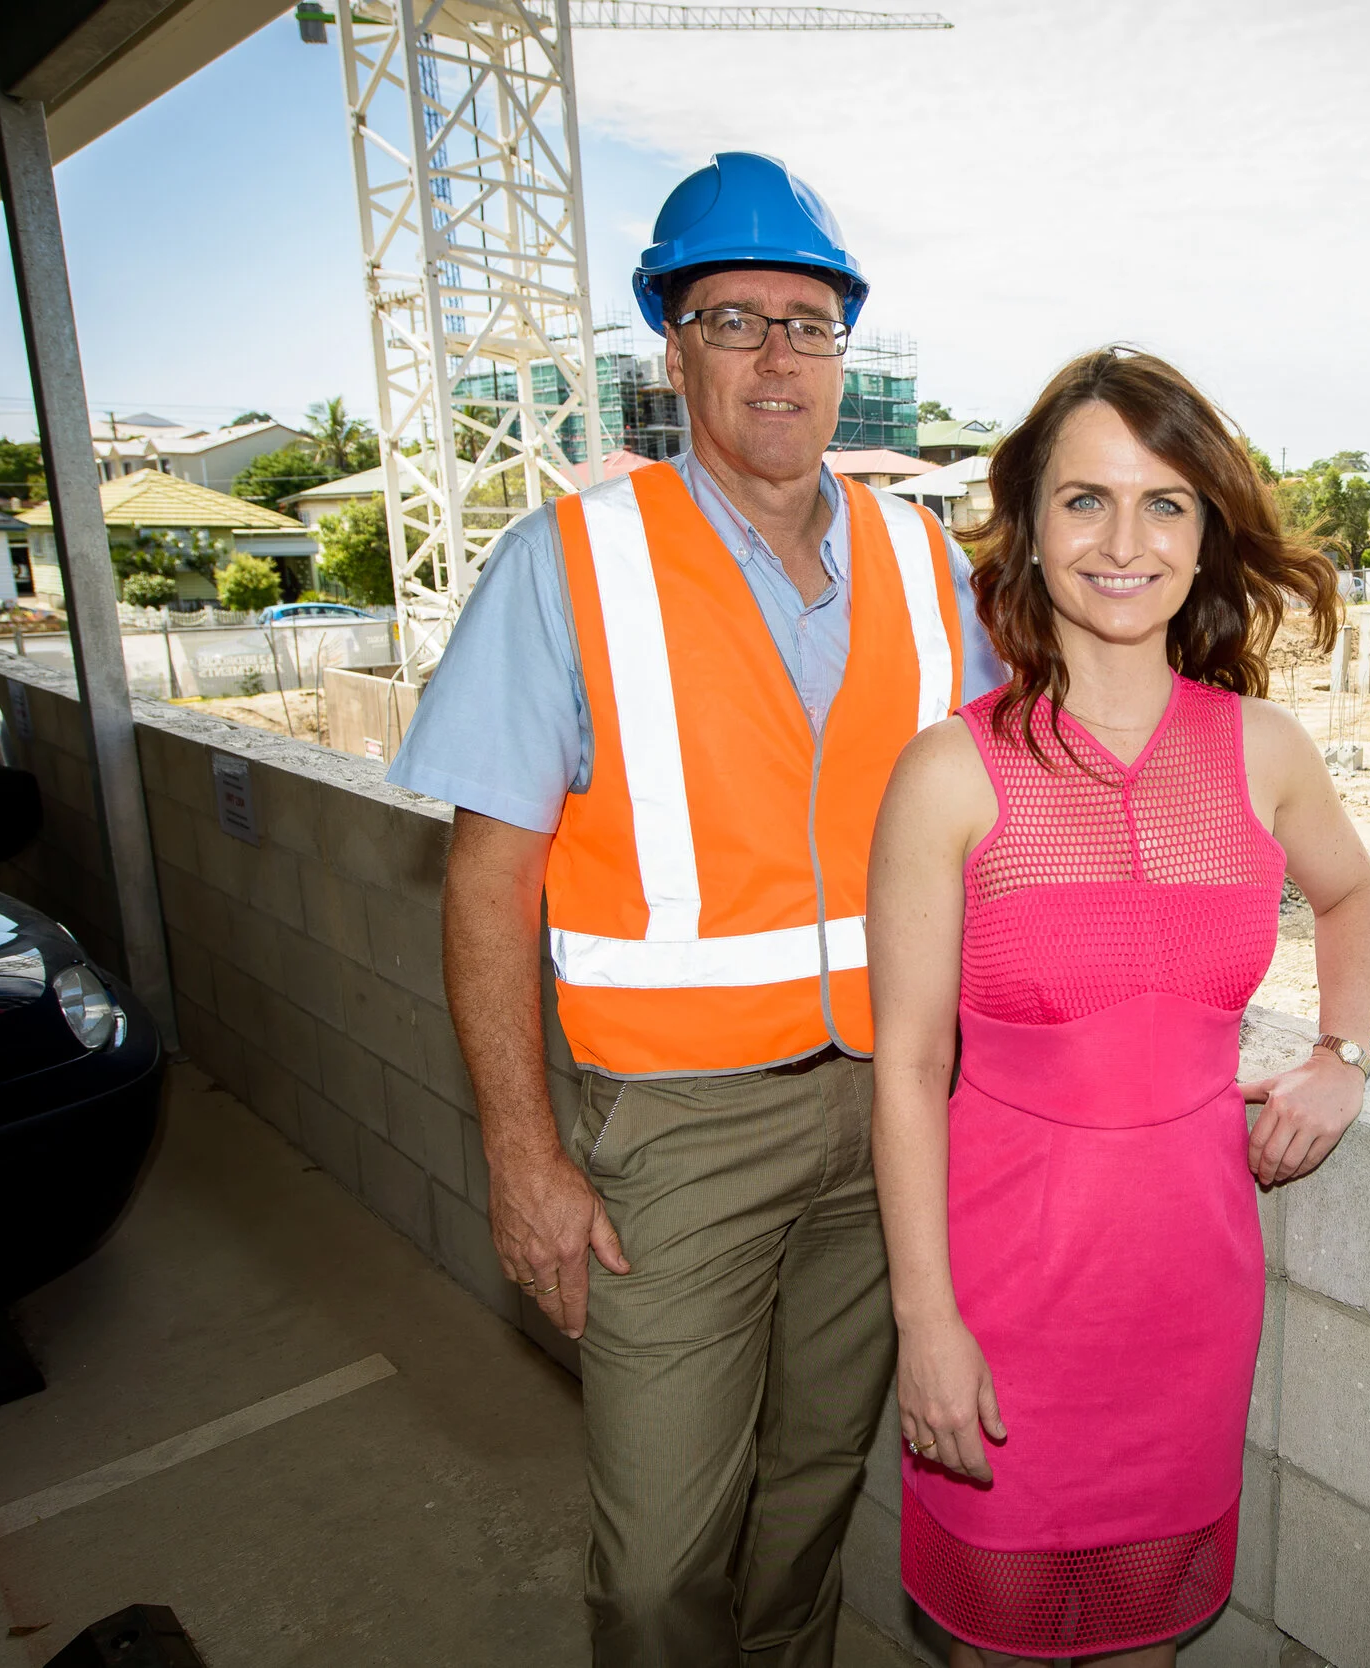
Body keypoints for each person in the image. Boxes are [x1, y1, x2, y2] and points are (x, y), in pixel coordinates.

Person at [386, 151, 1004, 1668]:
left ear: (843, 348)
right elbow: (487, 882)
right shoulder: (569, 563)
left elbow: (1006, 828)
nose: (776, 356)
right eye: (734, 319)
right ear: (673, 349)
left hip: (890, 1118)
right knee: (664, 1563)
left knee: (806, 1504)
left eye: (807, 320)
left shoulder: (931, 565)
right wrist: (525, 1158)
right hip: (673, 1138)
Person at [866, 348, 1370, 1666]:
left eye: (1165, 504)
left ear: (1207, 538)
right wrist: (926, 1323)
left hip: (1189, 1291)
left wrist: (1341, 1053)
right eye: (1085, 500)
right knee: (1004, 1647)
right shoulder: (950, 773)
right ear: (1029, 533)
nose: (1125, 540)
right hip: (1002, 1291)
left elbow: (1351, 899)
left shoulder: (1266, 753)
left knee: (1147, 1642)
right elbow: (909, 1063)